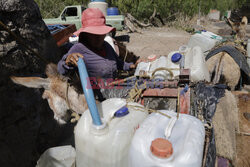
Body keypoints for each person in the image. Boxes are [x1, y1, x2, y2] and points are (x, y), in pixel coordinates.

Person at [57, 8, 137, 80]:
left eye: (101, 33)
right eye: (93, 34)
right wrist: (67, 62)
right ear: (86, 34)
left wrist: (132, 66)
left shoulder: (106, 46)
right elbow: (61, 70)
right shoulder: (78, 48)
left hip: (112, 90)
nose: (98, 37)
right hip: (93, 94)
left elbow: (119, 63)